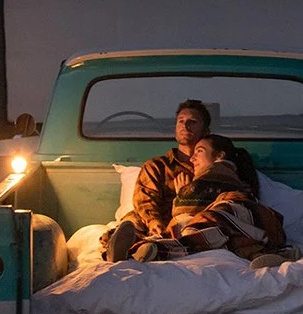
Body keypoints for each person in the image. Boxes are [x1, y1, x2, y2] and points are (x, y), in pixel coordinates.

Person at [106, 98, 262, 262]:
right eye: (180, 121)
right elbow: (145, 200)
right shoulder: (158, 166)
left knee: (225, 224)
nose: (185, 126)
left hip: (200, 221)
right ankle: (126, 248)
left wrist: (188, 194)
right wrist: (154, 223)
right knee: (132, 221)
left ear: (206, 131)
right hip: (160, 223)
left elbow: (238, 198)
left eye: (192, 122)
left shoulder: (217, 168)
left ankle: (152, 248)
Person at [164, 135, 295, 265]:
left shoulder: (218, 170)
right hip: (252, 226)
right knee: (227, 239)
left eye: (199, 151)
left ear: (220, 155)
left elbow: (185, 207)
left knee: (193, 226)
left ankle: (163, 249)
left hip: (241, 214)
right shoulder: (230, 176)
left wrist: (182, 193)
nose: (192, 159)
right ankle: (261, 253)